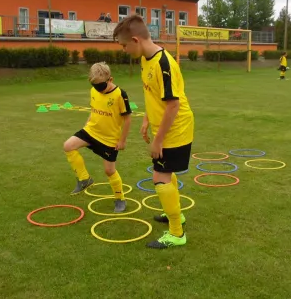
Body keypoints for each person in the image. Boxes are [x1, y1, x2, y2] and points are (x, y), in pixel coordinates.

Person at [113, 15, 194, 249]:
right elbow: (155, 95)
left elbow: (173, 105)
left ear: (136, 40)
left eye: (124, 45)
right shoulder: (145, 60)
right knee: (165, 173)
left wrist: (158, 141)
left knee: (159, 177)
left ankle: (177, 233)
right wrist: (148, 119)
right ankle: (174, 214)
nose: (124, 50)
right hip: (163, 126)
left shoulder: (163, 63)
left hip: (176, 128)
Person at [63, 62, 132, 213]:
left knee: (109, 170)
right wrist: (86, 125)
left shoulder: (120, 95)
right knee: (68, 146)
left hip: (109, 138)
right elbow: (94, 110)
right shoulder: (93, 91)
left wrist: (122, 140)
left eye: (101, 86)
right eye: (95, 85)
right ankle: (84, 179)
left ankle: (120, 199)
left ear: (110, 79)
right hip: (91, 131)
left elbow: (127, 119)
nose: (98, 89)